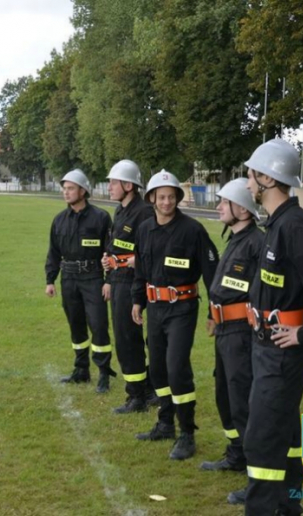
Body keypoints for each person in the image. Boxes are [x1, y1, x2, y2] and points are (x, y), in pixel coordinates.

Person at [234, 139, 303, 515]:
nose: (247, 182)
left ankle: (263, 507)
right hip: (268, 346)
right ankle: (287, 502)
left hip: (283, 351)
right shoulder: (277, 224)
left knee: (262, 438)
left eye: (251, 174)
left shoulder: (293, 226)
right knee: (283, 429)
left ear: (266, 177)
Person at [131, 170, 218, 460]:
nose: (166, 202)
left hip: (182, 308)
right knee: (157, 369)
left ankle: (187, 433)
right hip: (154, 308)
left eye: (171, 196)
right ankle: (165, 423)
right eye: (161, 196)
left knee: (177, 367)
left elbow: (211, 273)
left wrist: (213, 311)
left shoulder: (193, 230)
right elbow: (141, 270)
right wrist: (137, 302)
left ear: (177, 198)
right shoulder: (144, 229)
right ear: (152, 198)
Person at [200, 179, 263, 475]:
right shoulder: (236, 239)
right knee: (224, 396)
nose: (218, 207)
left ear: (242, 208)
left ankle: (255, 466)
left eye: (224, 202)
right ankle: (236, 455)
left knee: (241, 399)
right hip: (225, 330)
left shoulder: (256, 243)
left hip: (241, 333)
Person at [45, 169, 115, 393]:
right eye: (64, 189)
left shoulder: (101, 218)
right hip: (69, 279)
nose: (66, 193)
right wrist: (50, 280)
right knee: (76, 325)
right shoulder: (59, 220)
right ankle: (81, 370)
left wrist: (109, 281)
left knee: (98, 325)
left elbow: (111, 251)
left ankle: (104, 373)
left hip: (93, 278)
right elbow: (53, 252)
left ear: (83, 191)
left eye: (71, 188)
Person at [100, 160, 158, 413]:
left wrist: (130, 261)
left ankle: (138, 396)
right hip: (119, 280)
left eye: (113, 182)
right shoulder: (120, 211)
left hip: (136, 281)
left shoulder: (144, 212)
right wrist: (109, 268)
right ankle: (145, 389)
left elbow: (150, 249)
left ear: (128, 185)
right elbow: (117, 246)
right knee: (125, 337)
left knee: (129, 338)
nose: (109, 186)